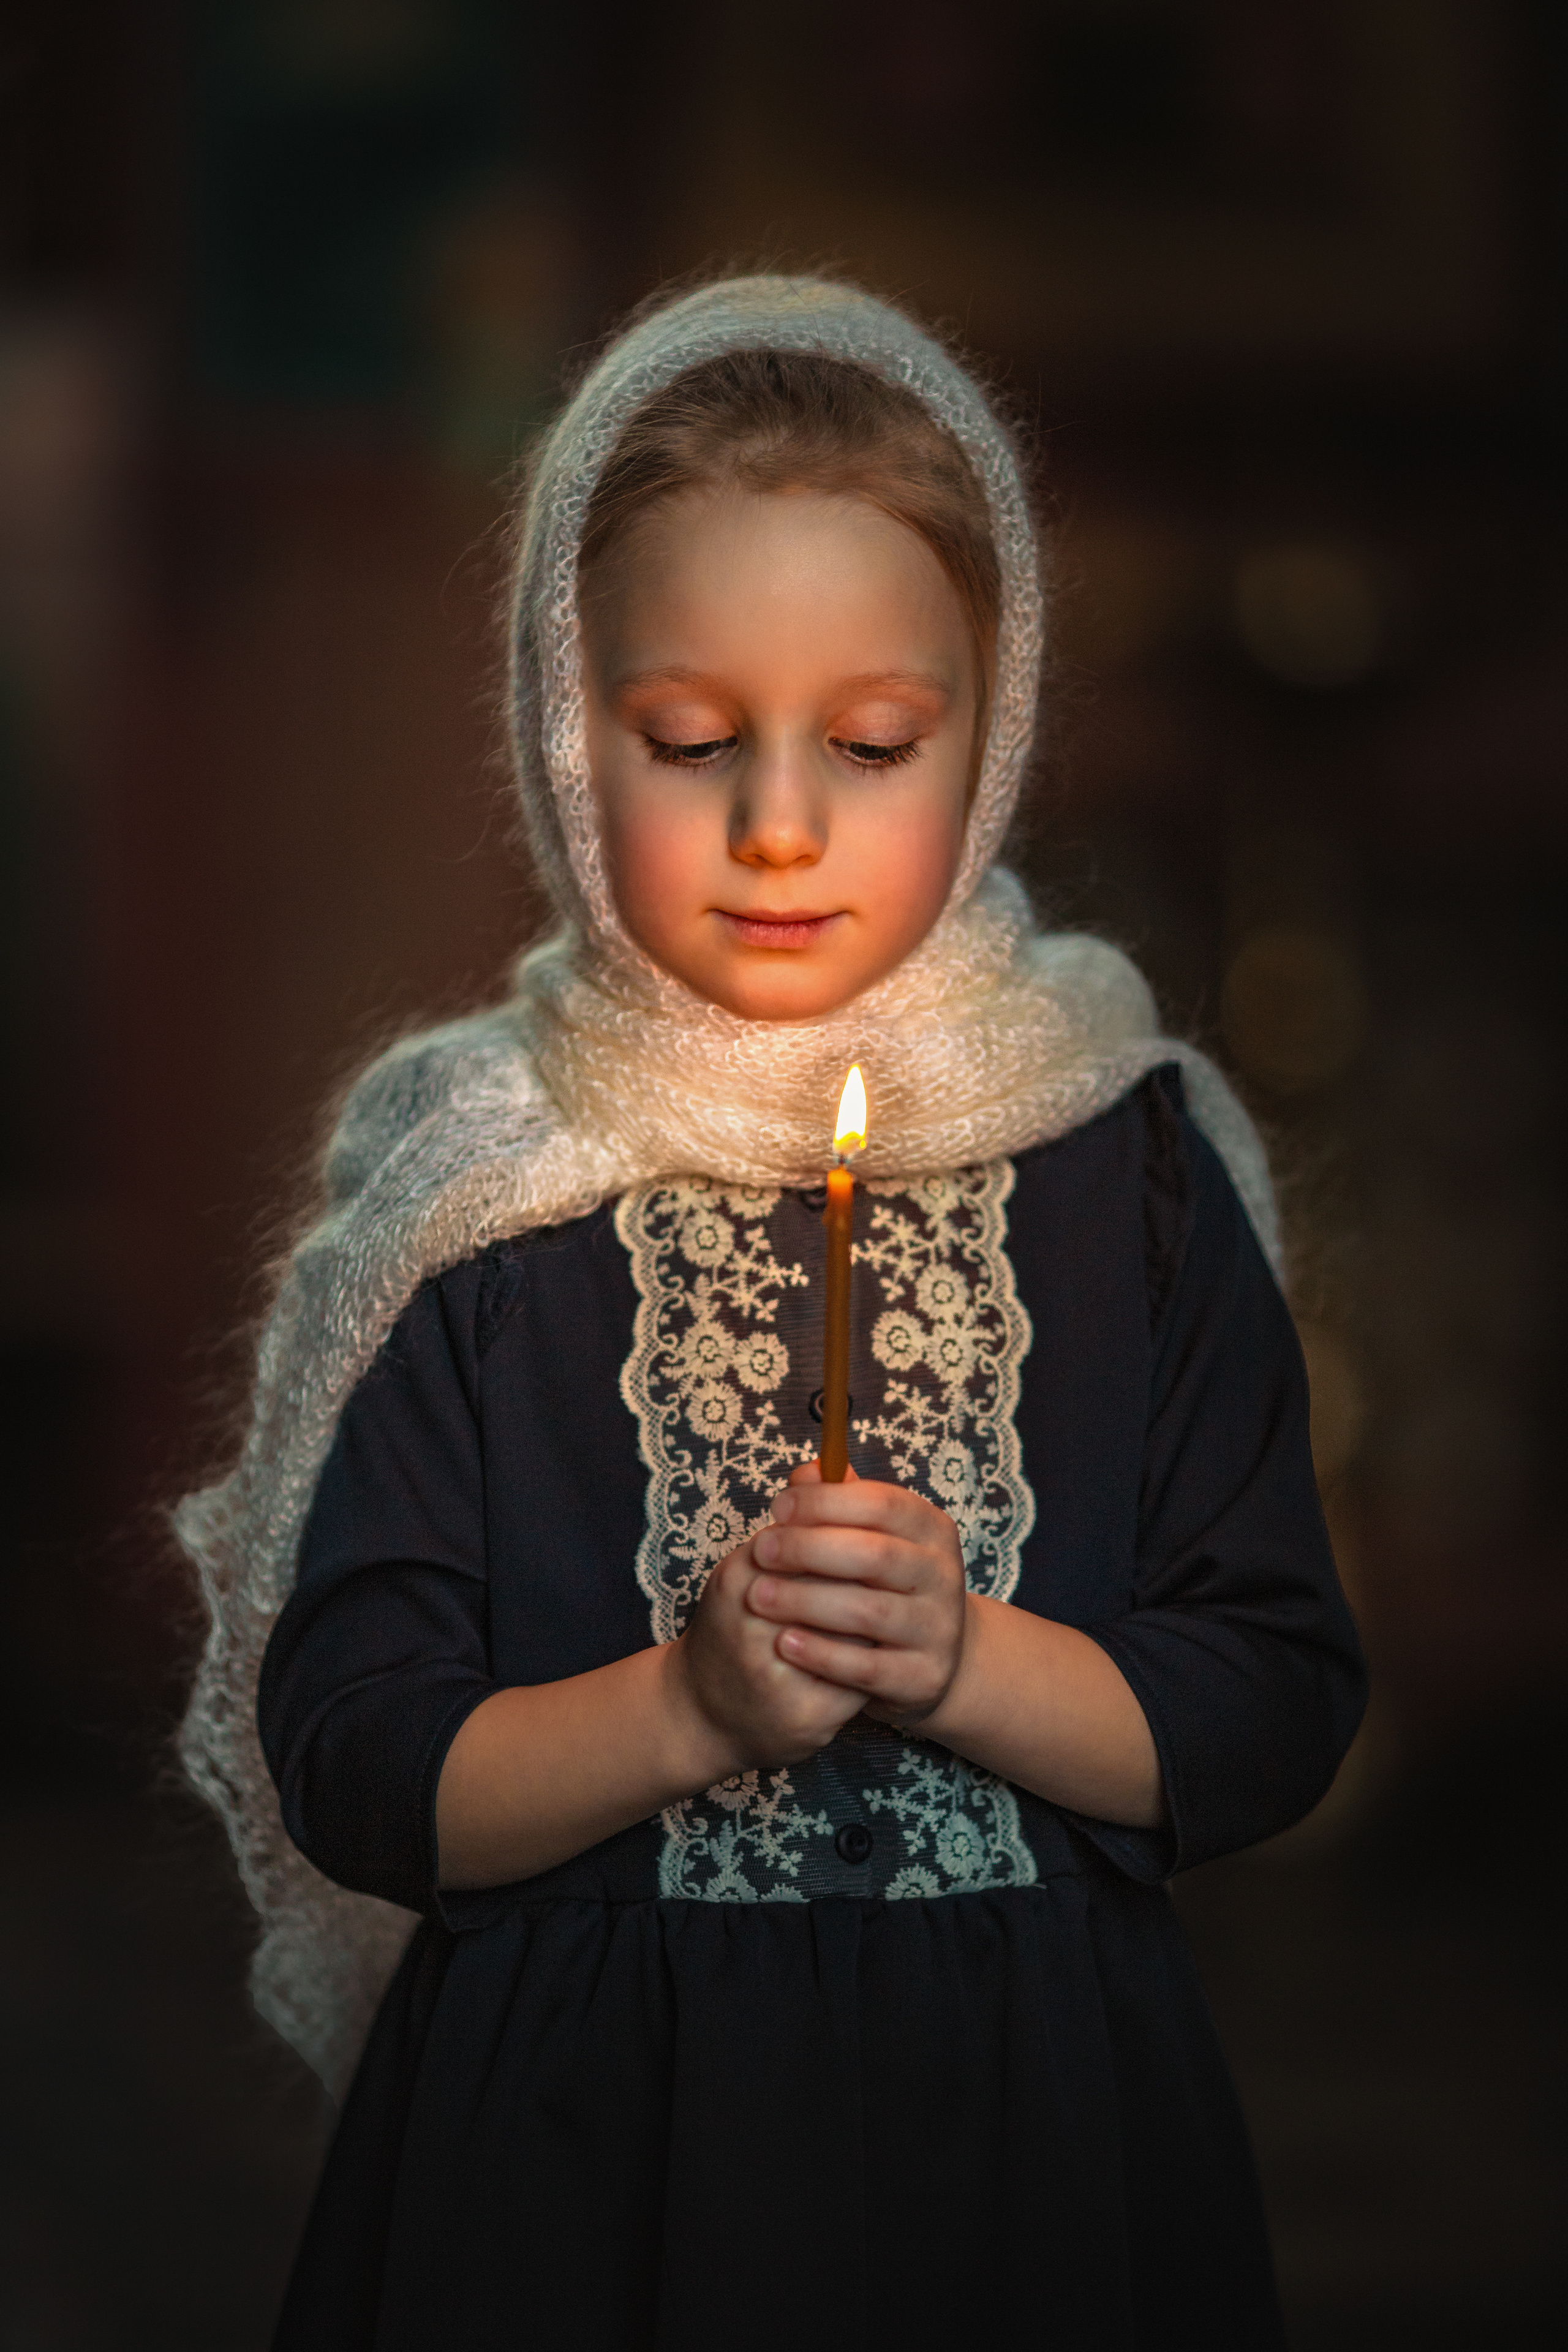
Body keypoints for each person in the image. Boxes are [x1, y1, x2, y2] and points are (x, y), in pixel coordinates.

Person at [177, 274, 1366, 2351]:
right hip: (569, 2162)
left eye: (878, 742)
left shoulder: (1135, 1165)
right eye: (694, 739)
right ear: (570, 726)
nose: (784, 823)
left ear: (988, 741)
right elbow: (355, 1760)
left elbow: (1272, 1697)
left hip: (1035, 2148)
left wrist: (973, 1661)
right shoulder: (480, 1187)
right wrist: (691, 1712)